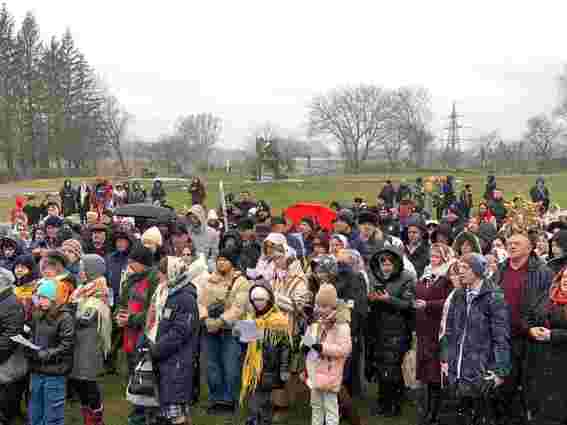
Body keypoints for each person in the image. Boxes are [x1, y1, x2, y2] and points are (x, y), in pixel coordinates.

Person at [490, 231, 553, 425]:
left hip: (529, 340)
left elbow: (546, 305)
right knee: (502, 388)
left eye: (517, 243)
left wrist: (528, 327)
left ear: (529, 248)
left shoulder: (542, 272)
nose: (511, 246)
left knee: (527, 390)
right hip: (502, 338)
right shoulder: (500, 269)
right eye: (509, 243)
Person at [440, 254, 511, 425]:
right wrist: (445, 356)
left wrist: (500, 370)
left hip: (480, 368)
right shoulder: (458, 294)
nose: (460, 272)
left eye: (466, 268)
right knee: (458, 415)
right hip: (456, 367)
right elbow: (448, 330)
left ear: (478, 270)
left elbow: (501, 336)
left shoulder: (494, 296)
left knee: (480, 415)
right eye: (459, 268)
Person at [146, 256, 199, 425]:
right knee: (171, 409)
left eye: (162, 274)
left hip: (177, 361)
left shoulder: (185, 298)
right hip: (167, 359)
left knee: (176, 412)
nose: (159, 278)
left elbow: (180, 332)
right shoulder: (169, 293)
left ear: (172, 273)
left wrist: (157, 349)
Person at [200, 249, 251, 415]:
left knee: (231, 366)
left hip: (231, 330)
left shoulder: (241, 281)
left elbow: (239, 307)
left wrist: (220, 321)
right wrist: (206, 319)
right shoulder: (209, 279)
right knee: (211, 365)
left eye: (225, 260)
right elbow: (200, 302)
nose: (221, 262)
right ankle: (216, 399)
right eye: (219, 259)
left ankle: (230, 400)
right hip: (209, 329)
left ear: (232, 262)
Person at [367, 247, 416, 417]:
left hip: (398, 330)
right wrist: (371, 299)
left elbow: (409, 304)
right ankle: (383, 403)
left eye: (389, 263)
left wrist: (389, 299)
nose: (386, 267)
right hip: (379, 330)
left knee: (393, 369)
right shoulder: (376, 277)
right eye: (383, 263)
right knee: (381, 368)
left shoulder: (407, 278)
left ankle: (394, 405)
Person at [68, 254, 112, 425]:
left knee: (88, 382)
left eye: (83, 268)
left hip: (90, 345)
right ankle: (88, 415)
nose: (80, 272)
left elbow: (86, 318)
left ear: (92, 271)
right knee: (79, 382)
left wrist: (69, 310)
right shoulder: (83, 290)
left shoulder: (99, 293)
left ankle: (96, 417)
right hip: (79, 343)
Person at [414, 243, 454, 425]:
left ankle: (435, 413)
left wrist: (428, 305)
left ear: (445, 257)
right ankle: (427, 409)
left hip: (438, 329)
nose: (433, 259)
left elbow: (450, 301)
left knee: (436, 373)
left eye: (437, 256)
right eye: (432, 255)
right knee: (427, 375)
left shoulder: (447, 277)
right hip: (424, 329)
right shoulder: (427, 274)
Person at [28, 278, 75, 425]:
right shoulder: (38, 314)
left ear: (54, 299)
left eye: (43, 298)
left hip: (55, 371)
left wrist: (47, 353)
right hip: (37, 369)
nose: (39, 301)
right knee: (35, 409)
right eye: (38, 297)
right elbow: (33, 336)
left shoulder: (65, 317)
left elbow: (67, 345)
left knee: (52, 412)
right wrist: (28, 345)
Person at [240, 284, 290, 425]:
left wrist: (284, 368)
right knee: (255, 396)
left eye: (261, 299)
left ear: (268, 299)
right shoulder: (251, 318)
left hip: (270, 367)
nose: (258, 303)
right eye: (254, 300)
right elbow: (245, 345)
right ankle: (254, 419)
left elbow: (285, 346)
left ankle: (262, 419)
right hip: (253, 369)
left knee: (266, 399)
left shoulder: (279, 320)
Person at [302, 284, 352, 425]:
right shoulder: (317, 323)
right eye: (318, 306)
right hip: (314, 371)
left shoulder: (341, 326)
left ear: (333, 307)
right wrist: (305, 346)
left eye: (324, 307)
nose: (320, 310)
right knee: (316, 406)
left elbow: (344, 349)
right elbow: (309, 337)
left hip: (330, 372)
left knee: (330, 407)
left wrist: (322, 347)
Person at [524, 266, 567, 425]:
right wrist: (530, 330)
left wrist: (552, 335)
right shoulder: (547, 296)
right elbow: (528, 317)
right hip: (540, 363)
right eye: (564, 277)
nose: (566, 280)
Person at [0, 267, 26, 425]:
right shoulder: (4, 299)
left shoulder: (11, 304)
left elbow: (10, 336)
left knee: (7, 391)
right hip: (6, 356)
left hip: (8, 358)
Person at [186, 205, 219, 271]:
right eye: (190, 218)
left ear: (201, 217)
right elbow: (188, 251)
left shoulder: (212, 232)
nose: (192, 220)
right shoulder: (189, 233)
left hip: (208, 266)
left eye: (195, 217)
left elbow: (214, 253)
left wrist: (209, 265)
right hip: (193, 266)